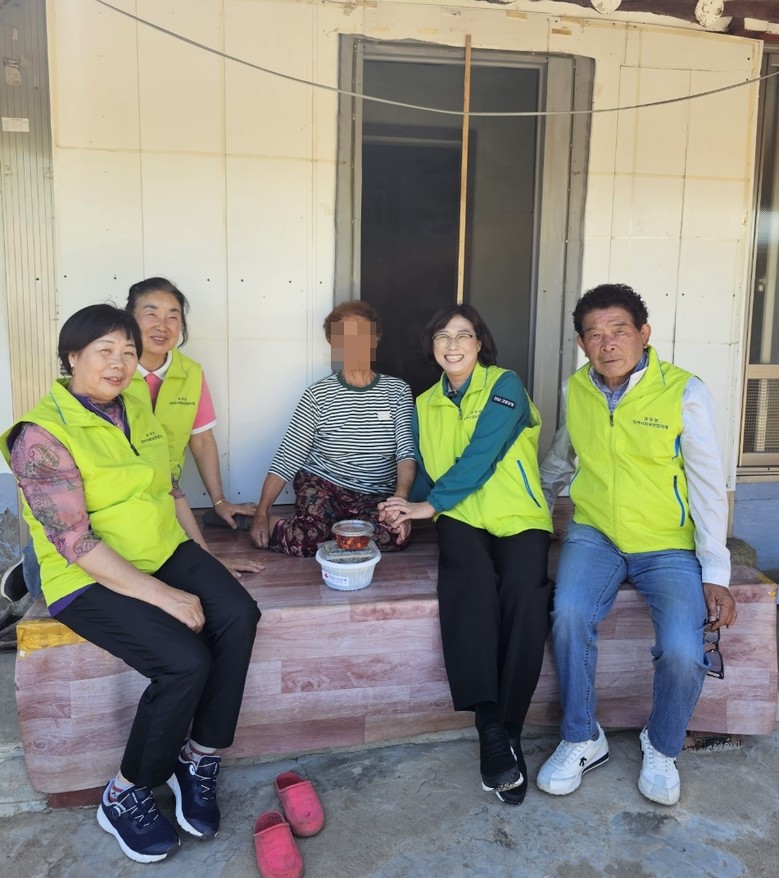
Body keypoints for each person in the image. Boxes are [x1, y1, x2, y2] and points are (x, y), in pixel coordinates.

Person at [1, 305, 261, 863]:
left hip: (162, 548)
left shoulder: (135, 405)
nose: (119, 363)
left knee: (239, 613)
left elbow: (168, 488)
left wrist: (207, 559)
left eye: (127, 351)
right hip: (85, 575)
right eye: (105, 351)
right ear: (72, 357)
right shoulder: (40, 435)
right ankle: (125, 791)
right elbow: (75, 543)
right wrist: (165, 595)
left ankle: (198, 757)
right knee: (184, 661)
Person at [536, 283, 737, 806]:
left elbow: (707, 483)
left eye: (619, 330)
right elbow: (562, 456)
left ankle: (663, 745)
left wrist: (716, 572)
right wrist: (535, 511)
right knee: (569, 614)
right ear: (581, 343)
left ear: (644, 334)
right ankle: (582, 737)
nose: (607, 343)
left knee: (683, 650)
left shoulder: (684, 391)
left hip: (667, 543)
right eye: (594, 334)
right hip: (595, 533)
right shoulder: (577, 388)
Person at [380, 304, 552, 806]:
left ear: (480, 343)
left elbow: (482, 454)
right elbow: (428, 471)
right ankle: (491, 728)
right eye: (442, 336)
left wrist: (427, 506)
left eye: (463, 335)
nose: (452, 345)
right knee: (469, 583)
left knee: (524, 593)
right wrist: (405, 511)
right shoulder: (425, 404)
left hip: (518, 514)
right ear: (431, 346)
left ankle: (509, 727)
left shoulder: (505, 385)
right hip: (459, 517)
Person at [5, 277, 261, 600]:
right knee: (61, 550)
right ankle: (33, 571)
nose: (162, 325)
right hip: (95, 508)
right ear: (128, 319)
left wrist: (219, 502)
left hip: (158, 501)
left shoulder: (191, 373)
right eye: (151, 314)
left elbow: (202, 440)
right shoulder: (107, 377)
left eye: (173, 316)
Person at [249, 301, 416, 557]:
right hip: (325, 485)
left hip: (375, 493)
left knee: (393, 534)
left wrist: (399, 503)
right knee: (307, 537)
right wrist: (261, 513)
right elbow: (288, 457)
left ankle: (333, 529)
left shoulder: (397, 391)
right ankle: (264, 521)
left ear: (375, 338)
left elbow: (406, 453)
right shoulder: (318, 395)